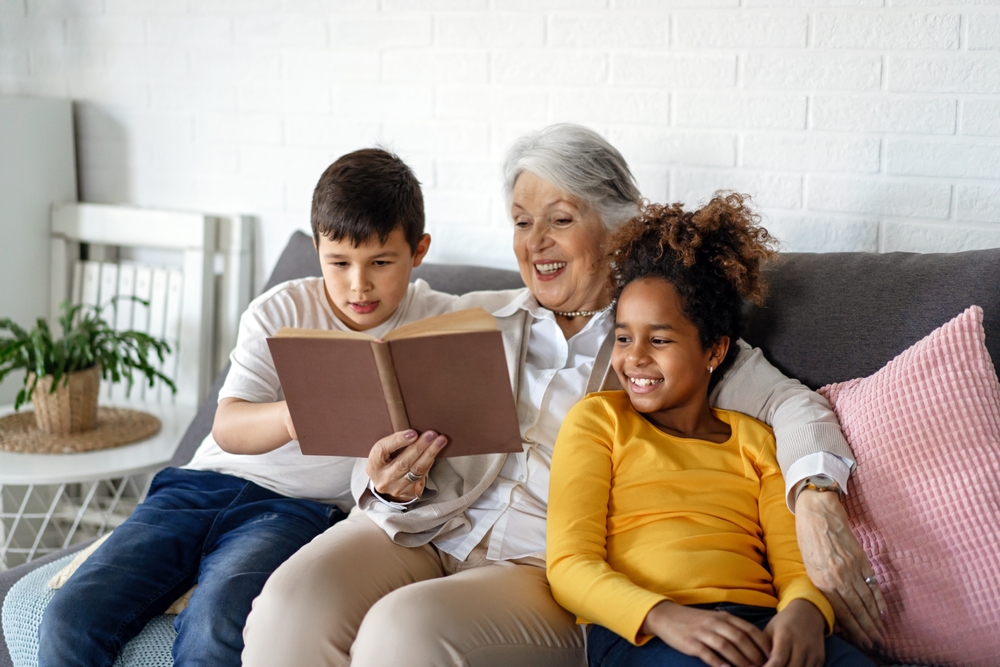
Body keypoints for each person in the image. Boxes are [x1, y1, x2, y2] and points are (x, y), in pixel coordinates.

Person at [241, 124, 884, 667]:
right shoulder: (473, 316)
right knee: (286, 609)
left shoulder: (659, 340)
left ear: (614, 229)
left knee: (403, 634)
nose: (535, 242)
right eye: (522, 222)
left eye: (560, 219)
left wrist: (818, 499)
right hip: (421, 527)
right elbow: (390, 432)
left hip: (542, 568)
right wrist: (383, 484)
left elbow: (792, 404)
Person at [37, 148, 457, 667]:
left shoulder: (443, 322)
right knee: (68, 618)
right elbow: (229, 426)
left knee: (216, 626)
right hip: (198, 487)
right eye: (338, 263)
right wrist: (295, 413)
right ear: (317, 250)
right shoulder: (281, 308)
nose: (358, 284)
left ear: (419, 251)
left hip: (295, 512)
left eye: (381, 263)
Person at [546, 195, 873, 667]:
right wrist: (665, 617)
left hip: (756, 624)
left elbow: (792, 561)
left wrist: (805, 610)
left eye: (658, 340)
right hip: (645, 631)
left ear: (714, 352)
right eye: (623, 337)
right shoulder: (598, 422)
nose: (634, 357)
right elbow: (569, 567)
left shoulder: (756, 440)